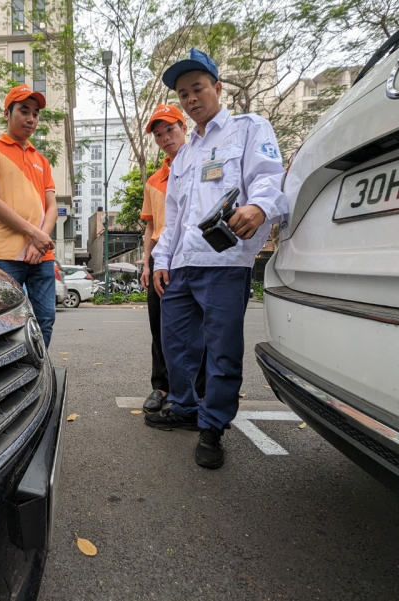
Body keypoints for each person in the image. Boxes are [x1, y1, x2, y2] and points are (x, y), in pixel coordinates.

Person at [144, 48, 287, 469]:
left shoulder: (248, 128)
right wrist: (161, 260)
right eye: (183, 93)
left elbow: (268, 178)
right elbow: (175, 217)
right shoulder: (185, 155)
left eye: (198, 88)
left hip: (224, 265)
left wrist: (259, 208)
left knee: (222, 353)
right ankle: (185, 407)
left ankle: (212, 426)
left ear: (217, 88)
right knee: (177, 348)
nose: (191, 99)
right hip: (181, 267)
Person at [0, 84, 58, 347]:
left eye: (35, 113)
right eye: (24, 111)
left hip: (42, 254)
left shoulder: (41, 160)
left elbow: (52, 207)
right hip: (6, 254)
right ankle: (7, 376)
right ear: (7, 114)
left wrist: (38, 242)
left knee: (45, 318)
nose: (31, 118)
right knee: (3, 321)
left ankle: (37, 371)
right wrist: (35, 235)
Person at [139, 104, 194, 414]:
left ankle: (194, 391)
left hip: (191, 257)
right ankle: (161, 386)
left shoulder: (198, 166)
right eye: (158, 134)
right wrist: (147, 263)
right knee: (159, 327)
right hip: (161, 259)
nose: (164, 137)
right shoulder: (154, 181)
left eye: (170, 130)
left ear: (183, 127)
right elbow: (150, 225)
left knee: (193, 331)